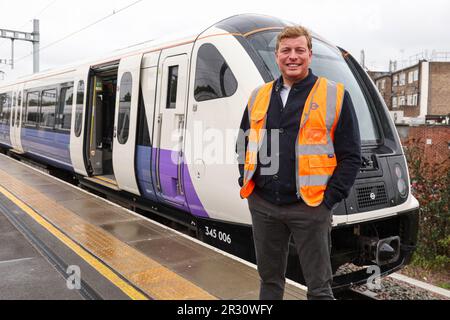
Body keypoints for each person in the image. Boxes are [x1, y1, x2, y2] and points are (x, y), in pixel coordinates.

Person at [236, 26, 361, 300]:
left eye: (299, 50)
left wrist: (329, 200)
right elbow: (244, 143)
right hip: (264, 205)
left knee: (319, 288)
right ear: (277, 56)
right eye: (286, 51)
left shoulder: (335, 95)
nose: (293, 56)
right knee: (269, 281)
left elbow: (351, 155)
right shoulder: (259, 95)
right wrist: (246, 182)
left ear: (309, 54)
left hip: (311, 207)